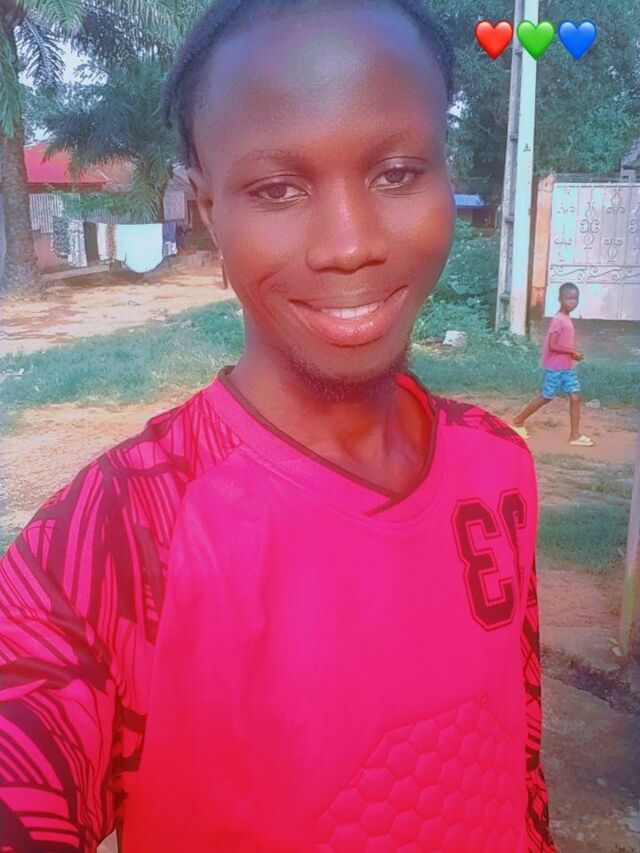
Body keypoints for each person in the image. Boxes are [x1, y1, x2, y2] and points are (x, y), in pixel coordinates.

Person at [0, 2, 556, 851]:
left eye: (397, 172)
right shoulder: (126, 533)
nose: (349, 245)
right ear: (206, 206)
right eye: (277, 190)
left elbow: (520, 770)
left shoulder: (497, 466)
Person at [511, 282, 594, 447]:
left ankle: (575, 435)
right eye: (568, 298)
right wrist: (572, 351)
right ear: (560, 299)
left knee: (575, 396)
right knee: (546, 397)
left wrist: (572, 354)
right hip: (556, 368)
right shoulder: (558, 320)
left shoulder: (566, 319)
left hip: (566, 368)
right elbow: (552, 345)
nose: (572, 302)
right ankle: (517, 422)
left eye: (575, 298)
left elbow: (562, 344)